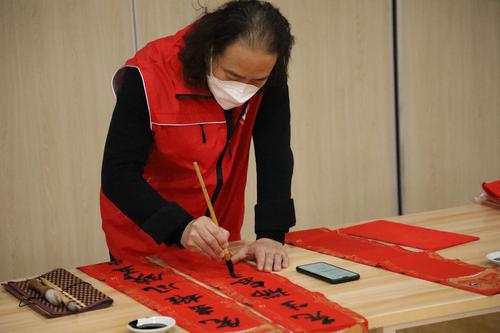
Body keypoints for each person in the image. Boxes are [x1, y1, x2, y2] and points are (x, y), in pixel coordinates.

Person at [101, 0, 295, 272]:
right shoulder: (148, 75)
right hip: (144, 236)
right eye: (232, 75)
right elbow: (117, 175)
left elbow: (274, 153)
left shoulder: (266, 74)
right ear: (210, 49)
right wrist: (180, 226)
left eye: (256, 81)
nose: (243, 90)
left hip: (219, 239)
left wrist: (271, 236)